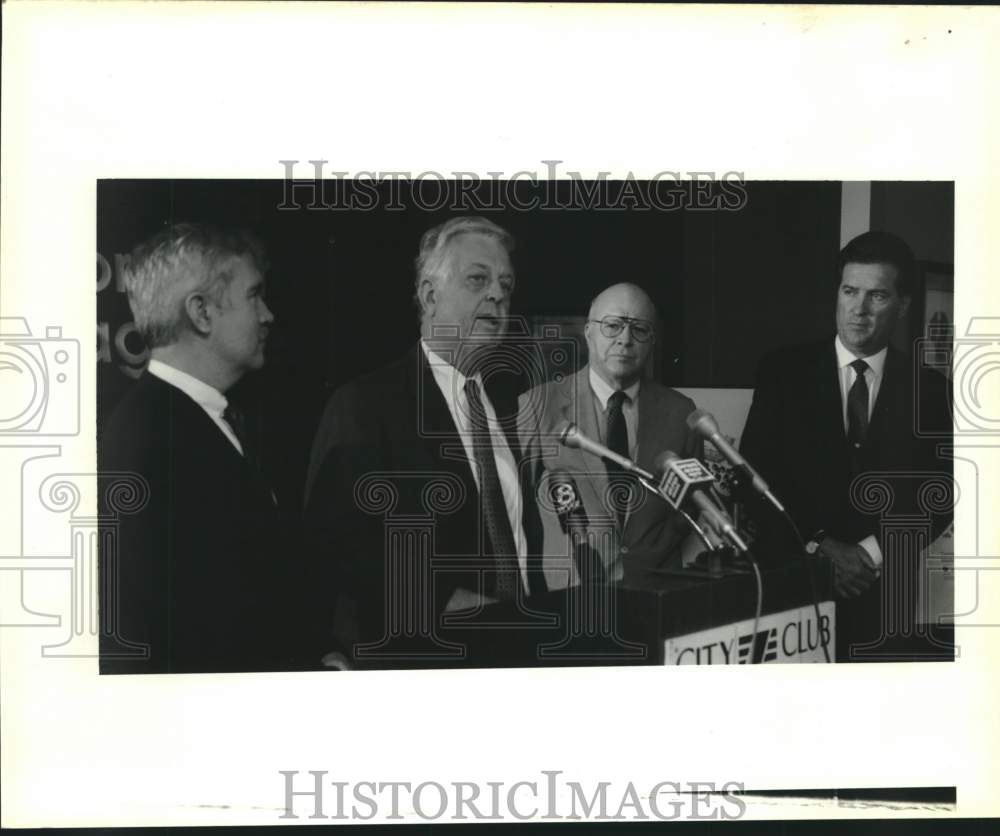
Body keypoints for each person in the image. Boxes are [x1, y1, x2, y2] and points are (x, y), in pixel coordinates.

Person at [304, 216, 543, 669]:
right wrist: (449, 602)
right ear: (430, 295)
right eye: (478, 279)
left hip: (519, 653)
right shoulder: (367, 404)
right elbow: (338, 547)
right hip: (422, 659)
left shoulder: (511, 407)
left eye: (505, 285)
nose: (496, 294)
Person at [740, 230, 953, 662]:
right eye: (849, 291)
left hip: (884, 597)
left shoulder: (929, 390)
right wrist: (820, 546)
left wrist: (870, 554)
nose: (858, 310)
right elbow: (753, 478)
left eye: (877, 296)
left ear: (903, 305)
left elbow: (939, 494)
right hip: (794, 590)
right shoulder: (783, 372)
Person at [99, 223, 302, 673]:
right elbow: (199, 629)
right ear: (202, 313)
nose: (267, 315)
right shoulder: (152, 439)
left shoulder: (194, 421)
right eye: (254, 296)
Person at [518, 283, 703, 588]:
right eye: (613, 326)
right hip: (568, 595)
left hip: (654, 591)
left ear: (653, 340)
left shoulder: (680, 411)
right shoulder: (537, 406)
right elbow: (514, 505)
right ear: (588, 332)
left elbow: (690, 504)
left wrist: (650, 555)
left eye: (639, 329)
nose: (626, 340)